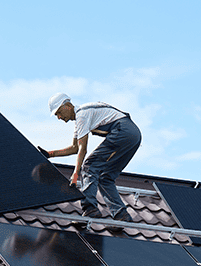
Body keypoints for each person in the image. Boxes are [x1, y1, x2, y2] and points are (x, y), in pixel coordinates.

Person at [41, 93, 141, 221]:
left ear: (67, 106)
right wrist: (50, 154)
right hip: (134, 135)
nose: (59, 117)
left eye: (59, 112)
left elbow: (83, 149)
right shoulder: (81, 119)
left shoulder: (82, 114)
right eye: (56, 115)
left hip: (123, 131)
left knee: (89, 165)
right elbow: (75, 148)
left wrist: (76, 174)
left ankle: (90, 208)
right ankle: (121, 215)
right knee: (105, 177)